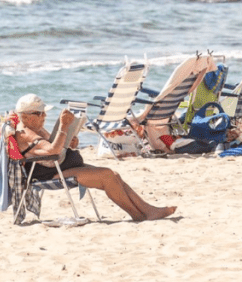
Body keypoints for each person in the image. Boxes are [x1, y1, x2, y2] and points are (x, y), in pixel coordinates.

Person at [12, 93, 175, 222]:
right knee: (107, 176)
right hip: (48, 174)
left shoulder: (36, 129)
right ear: (26, 117)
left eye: (44, 113)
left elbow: (55, 147)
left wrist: (70, 140)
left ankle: (147, 210)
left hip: (59, 167)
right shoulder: (24, 133)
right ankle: (138, 215)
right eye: (41, 114)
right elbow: (53, 150)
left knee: (114, 175)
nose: (44, 117)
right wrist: (63, 127)